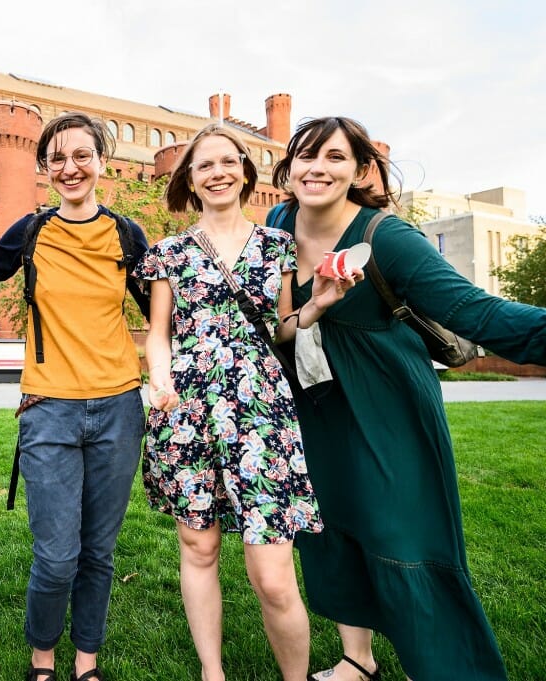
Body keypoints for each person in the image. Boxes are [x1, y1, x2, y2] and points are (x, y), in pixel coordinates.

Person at [267, 116, 546, 681]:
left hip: (387, 405)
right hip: (316, 407)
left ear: (359, 169)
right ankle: (357, 660)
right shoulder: (278, 221)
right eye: (306, 156)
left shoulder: (386, 238)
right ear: (289, 166)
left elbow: (480, 313)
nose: (318, 168)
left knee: (407, 543)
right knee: (337, 532)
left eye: (335, 157)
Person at [135, 124, 348, 681]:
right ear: (190, 179)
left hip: (260, 413)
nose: (218, 172)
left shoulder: (277, 246)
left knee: (273, 573)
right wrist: (160, 380)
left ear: (245, 172)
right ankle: (213, 672)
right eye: (204, 165)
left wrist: (317, 306)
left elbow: (279, 329)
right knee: (198, 546)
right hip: (188, 408)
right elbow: (158, 332)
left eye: (228, 162)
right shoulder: (169, 253)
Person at [0, 112, 150, 681]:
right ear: (45, 168)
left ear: (101, 162)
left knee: (98, 554)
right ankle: (42, 664)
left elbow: (160, 314)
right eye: (58, 159)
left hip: (119, 408)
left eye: (82, 156)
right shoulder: (31, 231)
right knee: (56, 557)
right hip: (48, 409)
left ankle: (86, 665)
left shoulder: (127, 235)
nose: (70, 168)